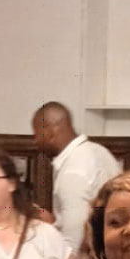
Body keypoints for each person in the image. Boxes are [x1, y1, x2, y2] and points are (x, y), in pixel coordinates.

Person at [30, 101, 119, 249]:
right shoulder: (99, 152)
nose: (35, 141)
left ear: (50, 133)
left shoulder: (73, 171)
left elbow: (74, 242)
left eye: (37, 134)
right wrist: (53, 222)